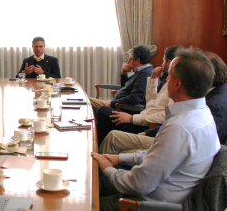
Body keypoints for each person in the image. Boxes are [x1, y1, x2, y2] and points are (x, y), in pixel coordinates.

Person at [91, 48, 220, 210]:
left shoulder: (179, 128)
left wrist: (108, 168)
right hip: (154, 190)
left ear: (177, 84)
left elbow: (139, 184)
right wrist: (120, 159)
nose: (166, 80)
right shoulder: (203, 115)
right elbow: (158, 158)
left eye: (170, 76)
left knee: (81, 201)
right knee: (92, 181)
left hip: (144, 202)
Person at [100, 50, 227, 154]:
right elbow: (151, 103)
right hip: (153, 127)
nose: (167, 79)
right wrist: (153, 80)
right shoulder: (205, 95)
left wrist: (134, 120)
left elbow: (202, 149)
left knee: (109, 127)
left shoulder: (205, 101)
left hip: (152, 127)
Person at [95, 46, 182, 145]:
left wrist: (132, 118)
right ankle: (96, 147)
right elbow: (150, 103)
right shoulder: (166, 82)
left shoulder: (174, 88)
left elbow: (166, 116)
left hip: (143, 125)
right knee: (100, 118)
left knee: (102, 111)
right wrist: (153, 79)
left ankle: (96, 150)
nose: (161, 64)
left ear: (169, 62)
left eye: (163, 60)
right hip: (141, 117)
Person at [89, 45, 154, 117]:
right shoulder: (141, 72)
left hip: (119, 107)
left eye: (131, 60)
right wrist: (124, 73)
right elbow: (125, 87)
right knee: (86, 101)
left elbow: (135, 98)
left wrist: (113, 102)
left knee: (87, 102)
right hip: (115, 103)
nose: (129, 63)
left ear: (138, 60)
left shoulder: (145, 74)